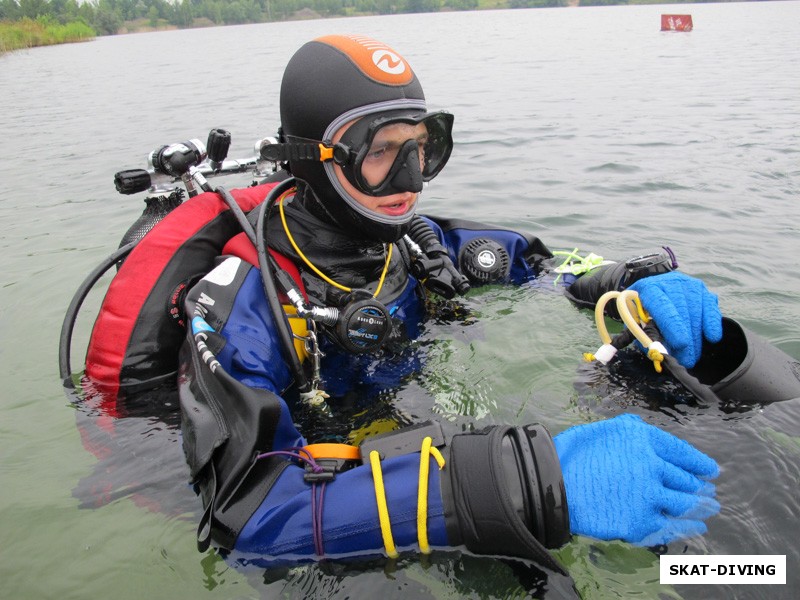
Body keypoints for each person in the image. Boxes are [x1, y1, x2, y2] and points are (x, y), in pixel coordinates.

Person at [177, 35, 722, 571]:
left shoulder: (417, 246)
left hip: (430, 445)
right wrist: (524, 481)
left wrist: (624, 283)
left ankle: (742, 569)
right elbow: (249, 516)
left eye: (419, 148)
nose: (410, 179)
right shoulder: (242, 308)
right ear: (315, 159)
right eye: (380, 149)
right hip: (338, 506)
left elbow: (542, 268)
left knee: (695, 445)